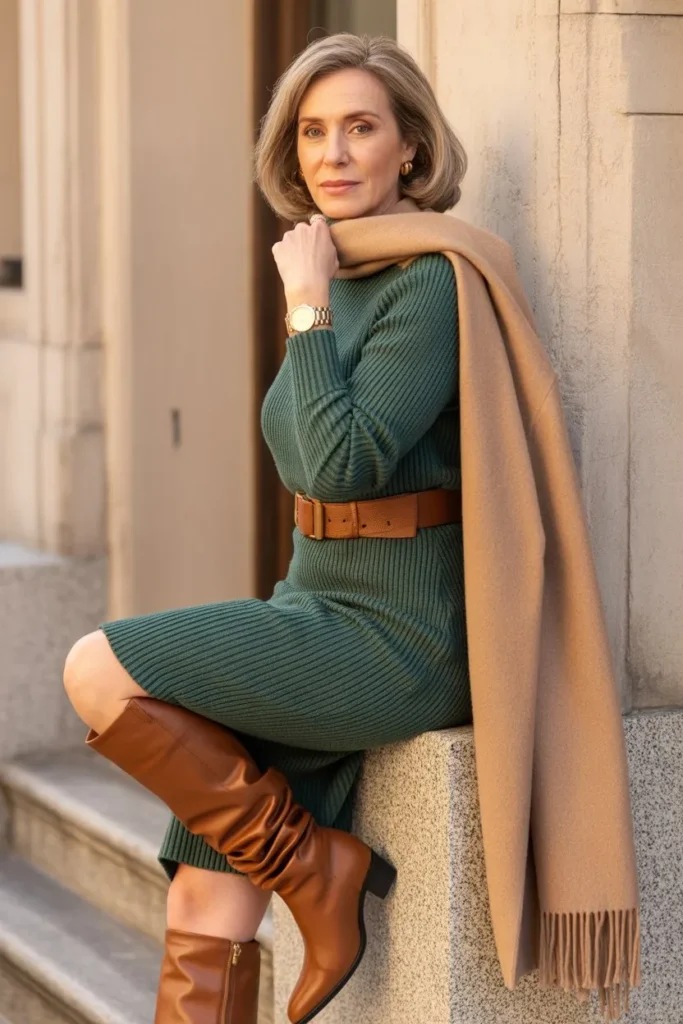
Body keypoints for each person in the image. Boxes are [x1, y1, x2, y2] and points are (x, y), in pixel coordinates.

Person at [63, 32, 470, 1024]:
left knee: (96, 668)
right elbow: (305, 465)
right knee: (204, 900)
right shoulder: (340, 269)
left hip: (397, 638)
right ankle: (311, 864)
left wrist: (304, 305)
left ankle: (318, 870)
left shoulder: (426, 280)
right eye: (312, 132)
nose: (332, 153)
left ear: (411, 147)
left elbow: (337, 464)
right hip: (314, 607)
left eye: (360, 127)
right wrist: (315, 297)